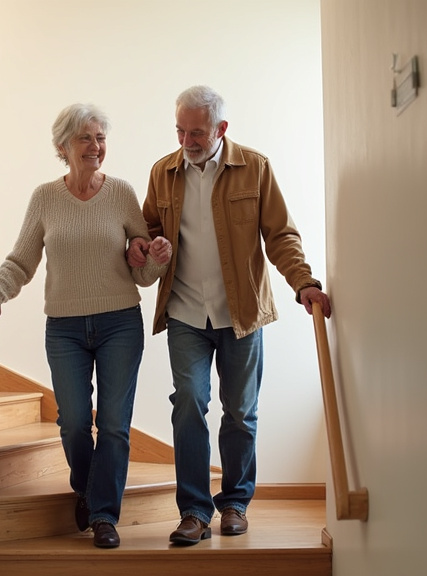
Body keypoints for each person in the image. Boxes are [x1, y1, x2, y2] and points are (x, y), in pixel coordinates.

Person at [128, 85, 331, 546]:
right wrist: (146, 248)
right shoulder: (163, 172)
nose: (187, 140)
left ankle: (235, 503)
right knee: (189, 405)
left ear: (221, 128)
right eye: (180, 130)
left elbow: (280, 235)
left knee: (240, 413)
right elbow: (146, 233)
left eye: (196, 132)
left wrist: (304, 282)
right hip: (184, 312)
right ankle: (194, 512)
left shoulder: (254, 168)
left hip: (241, 313)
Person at [0, 103, 172, 549]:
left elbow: (139, 268)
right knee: (73, 423)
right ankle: (85, 487)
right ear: (63, 146)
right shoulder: (45, 198)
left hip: (120, 321)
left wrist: (155, 260)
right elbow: (22, 260)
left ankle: (104, 515)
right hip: (63, 328)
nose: (96, 146)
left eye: (101, 137)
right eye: (86, 138)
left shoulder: (121, 193)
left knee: (116, 423)